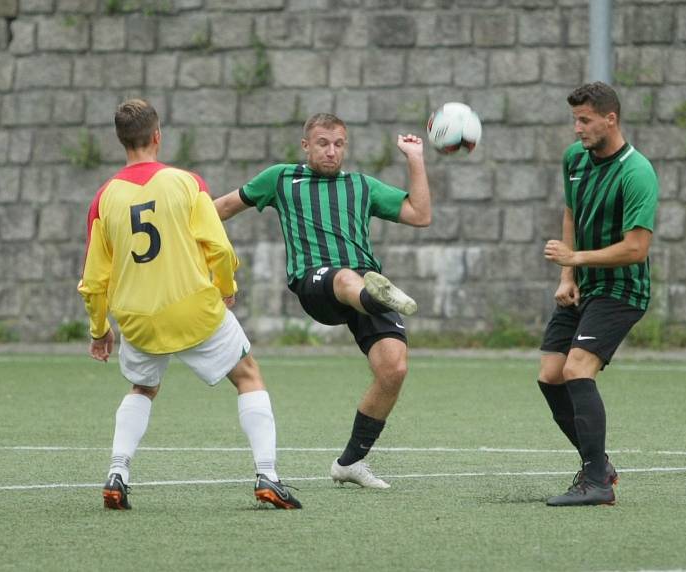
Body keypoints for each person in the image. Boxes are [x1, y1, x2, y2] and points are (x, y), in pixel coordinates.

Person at [77, 99, 301, 510]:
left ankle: (117, 472)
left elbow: (93, 281)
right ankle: (267, 476)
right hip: (194, 309)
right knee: (248, 375)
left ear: (120, 142)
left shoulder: (104, 199)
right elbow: (217, 245)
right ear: (157, 136)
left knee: (143, 387)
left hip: (138, 318)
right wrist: (226, 286)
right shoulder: (185, 183)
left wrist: (99, 330)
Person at [214, 113, 431, 489]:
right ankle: (376, 299)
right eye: (323, 144)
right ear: (306, 146)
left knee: (393, 369)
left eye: (339, 144)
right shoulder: (281, 178)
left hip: (363, 282)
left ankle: (350, 462)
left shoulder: (361, 186)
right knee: (349, 278)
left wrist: (414, 157)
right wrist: (184, 239)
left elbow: (420, 214)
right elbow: (222, 209)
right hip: (315, 282)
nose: (332, 152)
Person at [538, 82, 658, 507]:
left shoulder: (636, 172)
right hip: (583, 283)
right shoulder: (574, 160)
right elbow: (572, 211)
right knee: (550, 375)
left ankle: (596, 485)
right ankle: (598, 466)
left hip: (623, 288)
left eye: (585, 120)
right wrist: (567, 276)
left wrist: (576, 258)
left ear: (611, 119)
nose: (577, 129)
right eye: (574, 119)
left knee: (576, 370)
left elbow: (636, 248)